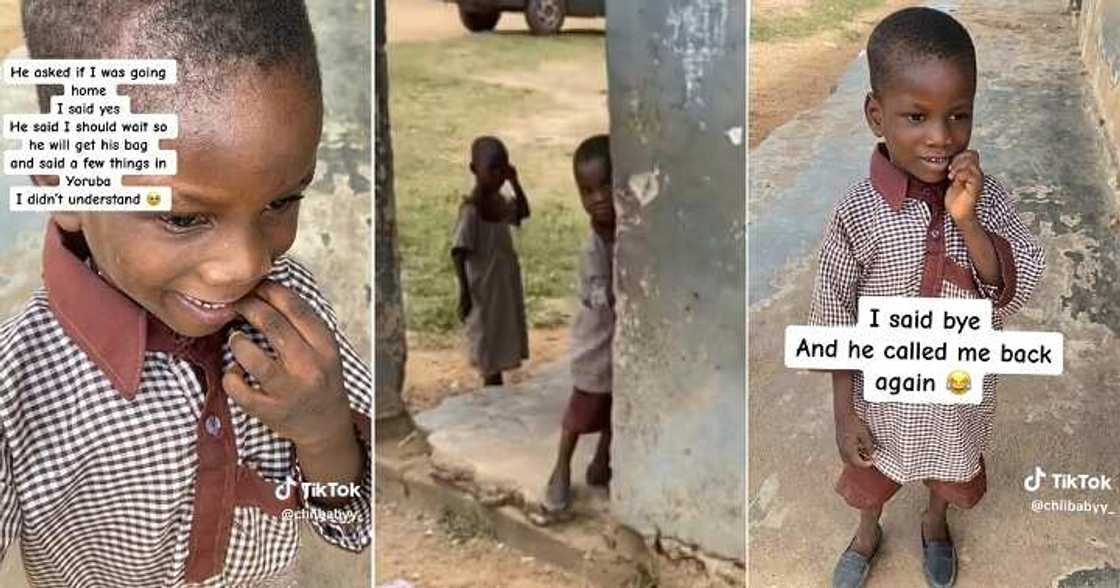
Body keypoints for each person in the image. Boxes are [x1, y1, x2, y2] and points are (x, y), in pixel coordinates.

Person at [0, 1, 371, 585]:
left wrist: (324, 431)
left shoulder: (293, 314)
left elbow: (346, 525)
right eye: (181, 218)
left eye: (282, 201)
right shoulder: (17, 385)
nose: (247, 264)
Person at [811, 8, 1045, 588]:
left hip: (957, 395)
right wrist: (844, 415)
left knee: (950, 468)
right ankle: (869, 530)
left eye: (958, 115)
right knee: (871, 473)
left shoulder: (987, 199)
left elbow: (1013, 285)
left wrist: (966, 222)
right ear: (876, 114)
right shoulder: (856, 213)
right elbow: (833, 321)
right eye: (916, 116)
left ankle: (935, 522)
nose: (941, 137)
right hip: (881, 398)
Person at [543, 135, 614, 512]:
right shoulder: (593, 247)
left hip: (621, 346)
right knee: (583, 408)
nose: (598, 197)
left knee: (615, 410)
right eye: (587, 190)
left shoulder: (628, 232)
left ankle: (602, 460)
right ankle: (560, 469)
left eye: (606, 185)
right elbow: (603, 298)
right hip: (596, 344)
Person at [451, 136, 530, 387]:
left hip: (502, 285)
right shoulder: (471, 211)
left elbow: (524, 212)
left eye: (502, 170)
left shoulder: (501, 204)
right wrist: (464, 292)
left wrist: (515, 182)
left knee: (502, 333)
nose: (498, 176)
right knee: (486, 338)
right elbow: (459, 251)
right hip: (482, 288)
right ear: (475, 170)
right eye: (492, 169)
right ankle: (491, 384)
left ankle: (496, 383)